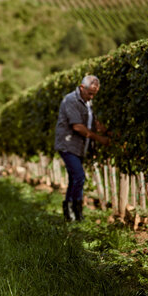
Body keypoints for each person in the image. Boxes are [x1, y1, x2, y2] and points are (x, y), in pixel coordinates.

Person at [54, 75, 110, 222]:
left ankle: (73, 213)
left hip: (79, 147)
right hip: (68, 144)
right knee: (79, 176)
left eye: (94, 94)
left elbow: (93, 122)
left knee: (74, 178)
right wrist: (100, 139)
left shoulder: (87, 102)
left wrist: (107, 132)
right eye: (90, 93)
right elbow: (78, 126)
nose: (92, 96)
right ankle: (73, 212)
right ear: (81, 87)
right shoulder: (71, 100)